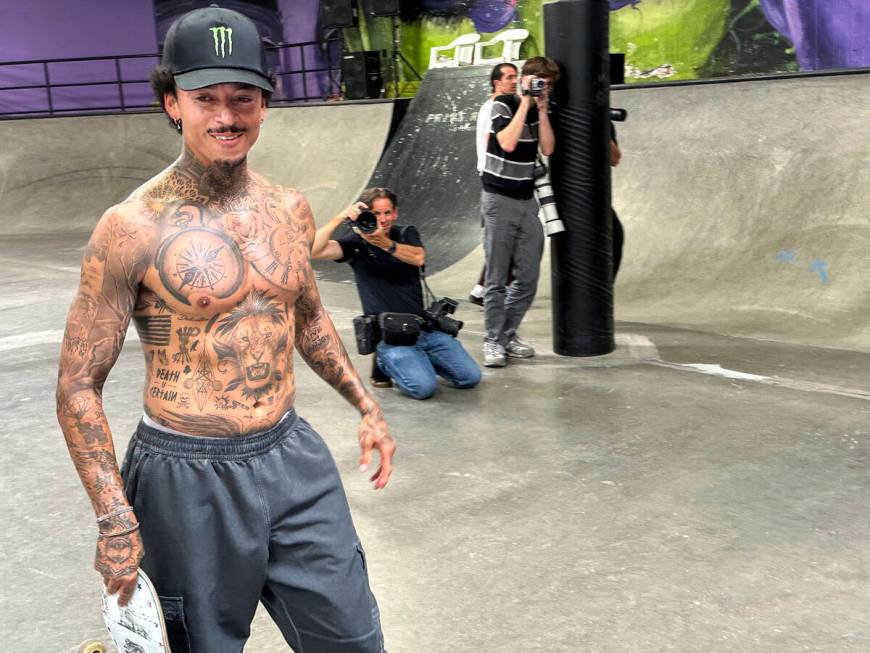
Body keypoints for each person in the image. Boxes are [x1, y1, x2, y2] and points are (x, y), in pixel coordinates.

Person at [55, 7, 393, 652]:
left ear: (265, 105)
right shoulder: (130, 227)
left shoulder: (289, 208)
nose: (226, 116)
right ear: (171, 104)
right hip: (184, 476)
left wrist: (363, 401)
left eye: (242, 98)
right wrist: (114, 520)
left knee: (353, 639)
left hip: (292, 456)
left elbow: (307, 313)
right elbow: (77, 383)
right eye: (204, 98)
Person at [312, 187, 481, 400]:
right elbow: (313, 250)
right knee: (423, 389)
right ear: (365, 215)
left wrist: (385, 243)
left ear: (395, 213)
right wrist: (340, 217)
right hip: (390, 335)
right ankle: (383, 362)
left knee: (470, 377)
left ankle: (418, 359)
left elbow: (418, 257)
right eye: (375, 214)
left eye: (387, 213)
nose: (382, 220)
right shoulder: (355, 244)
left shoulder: (404, 234)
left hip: (423, 329)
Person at [479, 56, 560, 367]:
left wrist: (541, 109)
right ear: (524, 78)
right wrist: (525, 102)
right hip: (498, 200)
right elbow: (507, 143)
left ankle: (506, 335)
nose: (541, 87)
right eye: (536, 80)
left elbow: (549, 148)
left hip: (527, 202)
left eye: (546, 84)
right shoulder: (503, 105)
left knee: (528, 277)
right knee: (497, 277)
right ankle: (492, 341)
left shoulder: (539, 109)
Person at [468, 62, 518, 307]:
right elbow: (492, 141)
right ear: (496, 82)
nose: (514, 81)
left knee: (503, 237)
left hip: (498, 177)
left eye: (515, 77)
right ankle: (492, 289)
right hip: (496, 178)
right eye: (509, 77)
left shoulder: (505, 105)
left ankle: (481, 289)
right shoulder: (493, 107)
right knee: (504, 237)